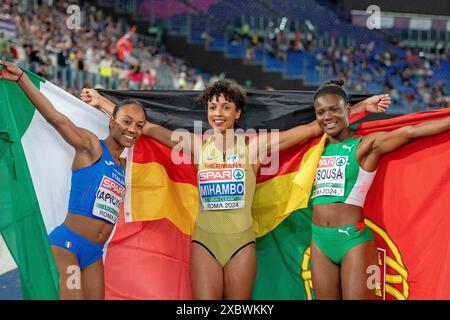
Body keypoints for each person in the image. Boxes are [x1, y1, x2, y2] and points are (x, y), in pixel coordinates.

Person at [80, 80, 389, 299]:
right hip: (205, 244)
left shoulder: (255, 148)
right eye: (213, 107)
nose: (218, 113)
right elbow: (140, 126)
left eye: (226, 107)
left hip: (242, 246)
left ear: (237, 113)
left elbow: (313, 128)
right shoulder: (196, 146)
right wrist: (102, 102)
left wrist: (360, 107)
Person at [0, 60, 147, 299]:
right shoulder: (91, 147)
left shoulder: (125, 167)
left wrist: (103, 102)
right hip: (68, 246)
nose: (132, 129)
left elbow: (153, 132)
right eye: (126, 122)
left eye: (138, 126)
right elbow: (58, 120)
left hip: (94, 255)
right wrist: (21, 80)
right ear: (112, 122)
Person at [310, 79, 450, 300]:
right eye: (320, 112)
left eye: (334, 109)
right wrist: (362, 107)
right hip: (318, 241)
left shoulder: (366, 145)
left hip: (352, 241)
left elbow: (411, 132)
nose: (327, 117)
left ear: (347, 110)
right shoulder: (313, 149)